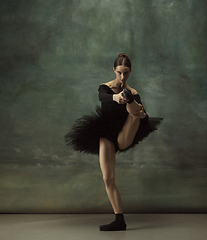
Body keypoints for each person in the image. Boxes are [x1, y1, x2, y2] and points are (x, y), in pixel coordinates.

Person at [65, 53, 163, 231]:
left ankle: (132, 103)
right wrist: (115, 98)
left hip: (125, 134)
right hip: (107, 135)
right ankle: (120, 220)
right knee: (107, 178)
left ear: (130, 71)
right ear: (114, 70)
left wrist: (142, 114)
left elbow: (143, 118)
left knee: (135, 112)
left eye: (126, 73)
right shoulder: (105, 87)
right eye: (119, 73)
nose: (122, 77)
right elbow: (102, 97)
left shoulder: (133, 91)